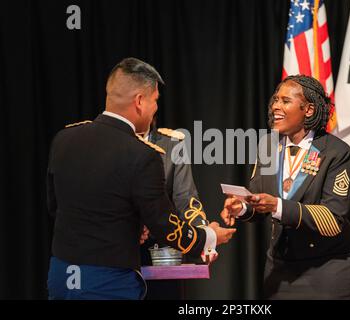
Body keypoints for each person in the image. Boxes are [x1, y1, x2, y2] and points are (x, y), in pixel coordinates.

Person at [47, 57, 236, 300]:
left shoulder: (63, 139)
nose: (156, 107)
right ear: (139, 101)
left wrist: (128, 226)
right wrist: (209, 237)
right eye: (155, 100)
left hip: (61, 276)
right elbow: (165, 227)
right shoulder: (142, 155)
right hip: (109, 282)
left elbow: (55, 207)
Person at [221, 75, 350, 299]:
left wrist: (277, 205)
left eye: (285, 101)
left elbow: (332, 218)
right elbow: (258, 200)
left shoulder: (336, 152)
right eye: (276, 100)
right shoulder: (268, 145)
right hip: (281, 269)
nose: (275, 106)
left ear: (308, 110)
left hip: (330, 267)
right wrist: (242, 208)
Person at [140, 119, 208, 299]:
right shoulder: (109, 141)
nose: (155, 104)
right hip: (118, 255)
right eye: (152, 98)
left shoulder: (172, 144)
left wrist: (202, 236)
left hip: (162, 256)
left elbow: (186, 199)